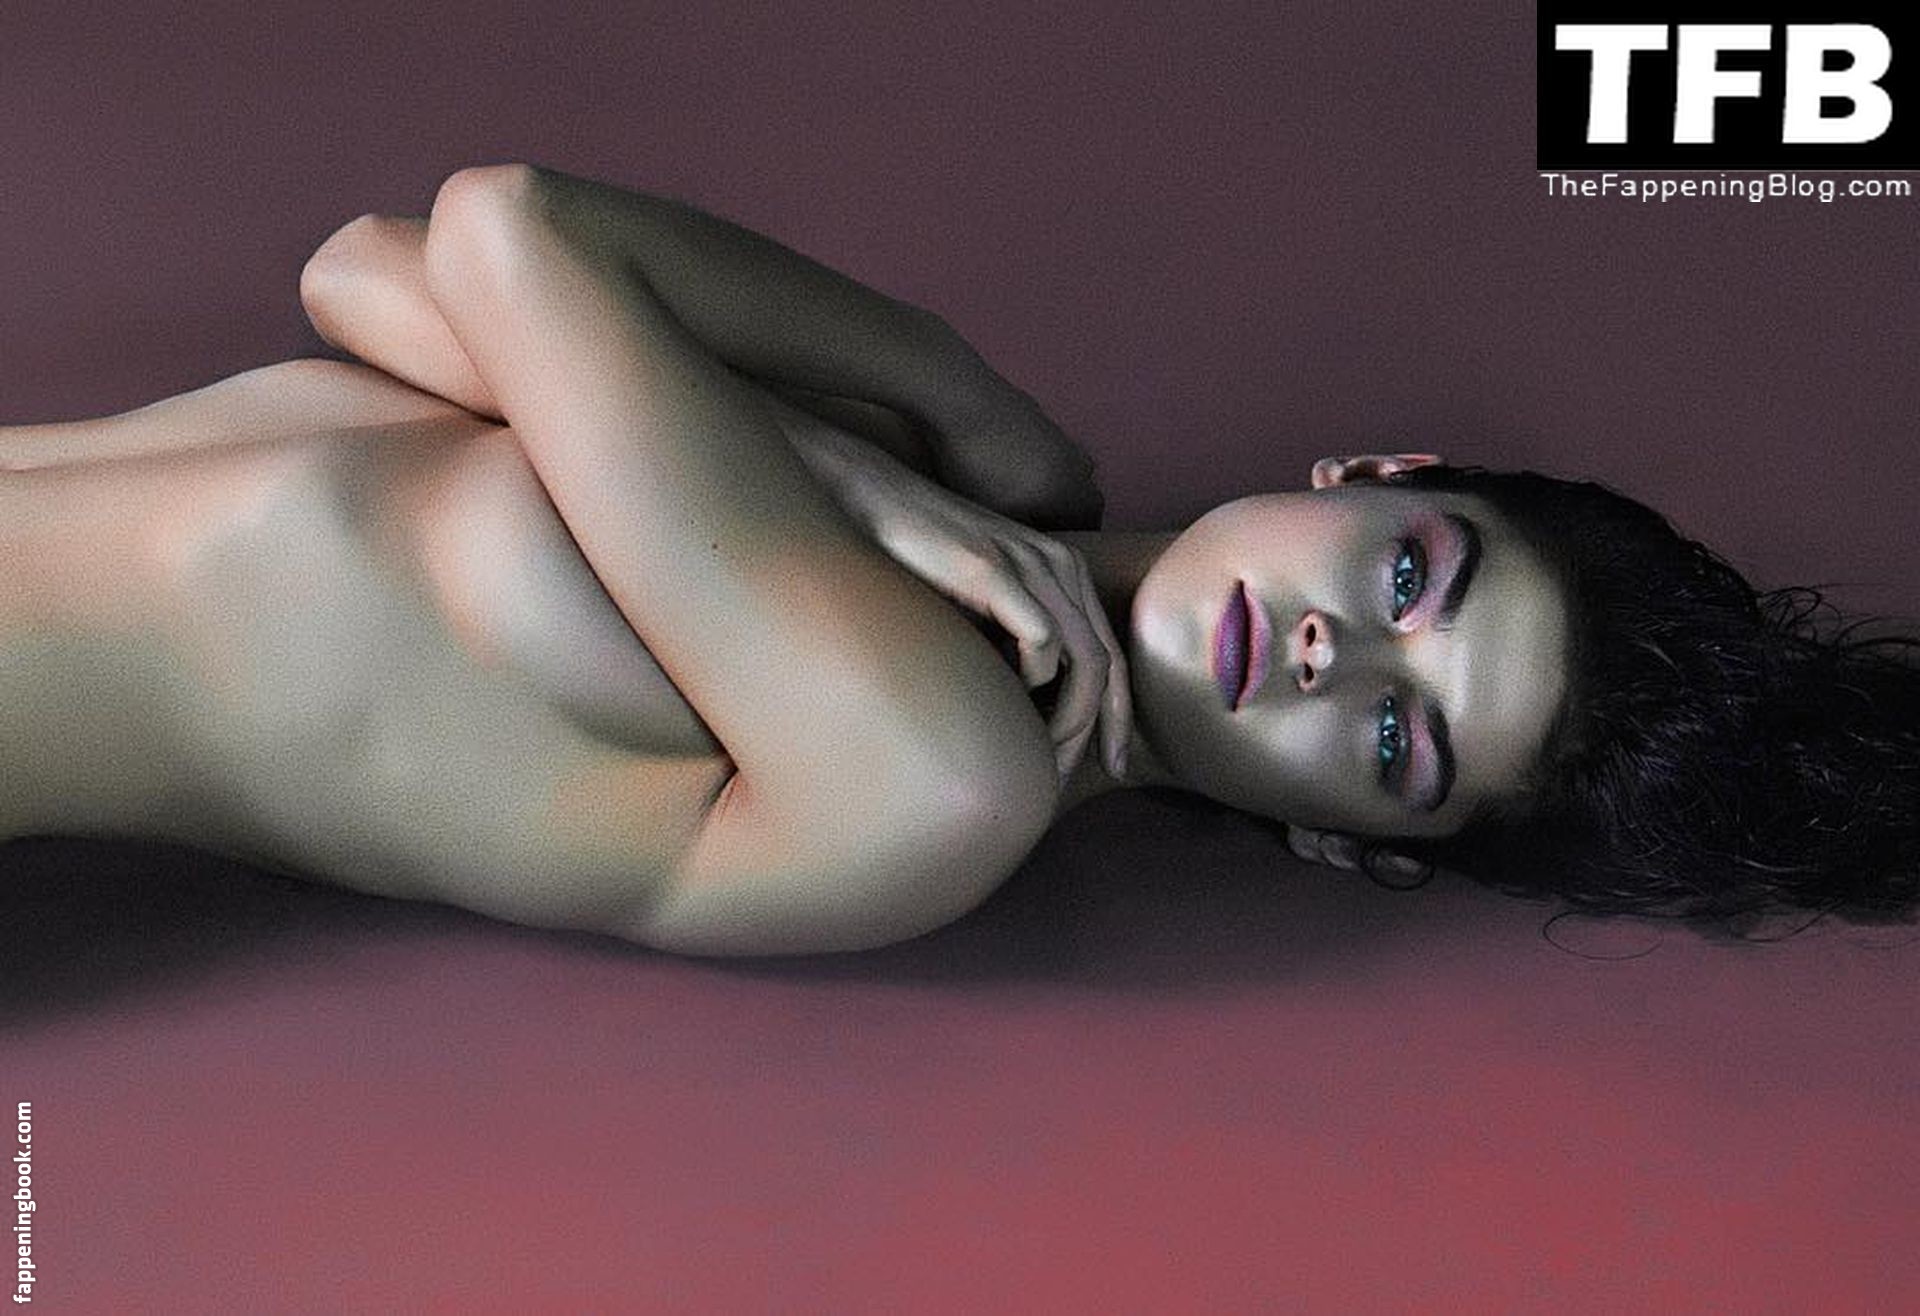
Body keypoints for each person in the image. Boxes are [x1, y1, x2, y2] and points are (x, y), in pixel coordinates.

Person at [2, 162, 1912, 955]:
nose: (1349, 657)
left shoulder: (938, 781)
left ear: (1346, 844)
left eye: (1401, 746)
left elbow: (505, 229)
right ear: (1377, 476)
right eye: (1414, 582)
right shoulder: (960, 466)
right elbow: (356, 268)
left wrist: (880, 428)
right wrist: (906, 445)